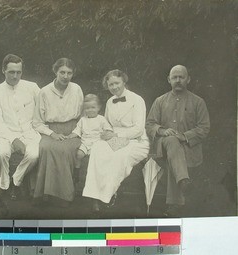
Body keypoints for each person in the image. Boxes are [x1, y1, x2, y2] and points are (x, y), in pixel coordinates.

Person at [145, 65, 210, 217]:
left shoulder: (198, 102)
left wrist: (185, 135)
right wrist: (162, 130)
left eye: (181, 77)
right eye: (174, 77)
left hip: (189, 148)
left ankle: (175, 201)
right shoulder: (160, 101)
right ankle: (183, 181)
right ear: (169, 80)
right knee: (172, 140)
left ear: (188, 79)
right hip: (163, 147)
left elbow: (204, 128)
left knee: (174, 155)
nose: (178, 80)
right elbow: (149, 124)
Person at [82, 69, 150, 212]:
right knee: (97, 149)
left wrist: (114, 134)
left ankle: (108, 194)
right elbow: (108, 125)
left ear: (124, 82)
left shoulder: (137, 100)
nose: (114, 87)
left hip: (136, 141)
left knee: (118, 156)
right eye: (111, 84)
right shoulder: (109, 102)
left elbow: (138, 129)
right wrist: (107, 133)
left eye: (117, 83)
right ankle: (94, 197)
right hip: (115, 139)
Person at [0, 54, 41, 201]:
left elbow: (44, 107)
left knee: (34, 154)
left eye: (19, 72)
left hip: (30, 132)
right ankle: (3, 184)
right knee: (0, 153)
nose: (15, 76)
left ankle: (15, 181)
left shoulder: (32, 87)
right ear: (3, 71)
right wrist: (14, 139)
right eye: (11, 72)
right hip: (6, 134)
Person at [32, 58, 84, 206]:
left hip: (72, 130)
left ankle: (63, 196)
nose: (66, 76)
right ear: (55, 72)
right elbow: (37, 121)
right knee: (45, 148)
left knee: (63, 150)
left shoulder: (76, 89)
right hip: (51, 130)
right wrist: (52, 134)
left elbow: (82, 116)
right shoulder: (44, 91)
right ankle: (45, 192)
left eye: (69, 73)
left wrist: (77, 132)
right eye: (62, 72)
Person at [67, 94, 113, 170]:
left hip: (97, 142)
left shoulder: (101, 119)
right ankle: (77, 170)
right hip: (85, 142)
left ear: (98, 108)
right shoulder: (83, 120)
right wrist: (70, 136)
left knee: (95, 157)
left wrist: (106, 133)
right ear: (84, 109)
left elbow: (108, 130)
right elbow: (77, 131)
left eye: (93, 107)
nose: (90, 110)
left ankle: (95, 170)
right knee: (79, 154)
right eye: (87, 108)